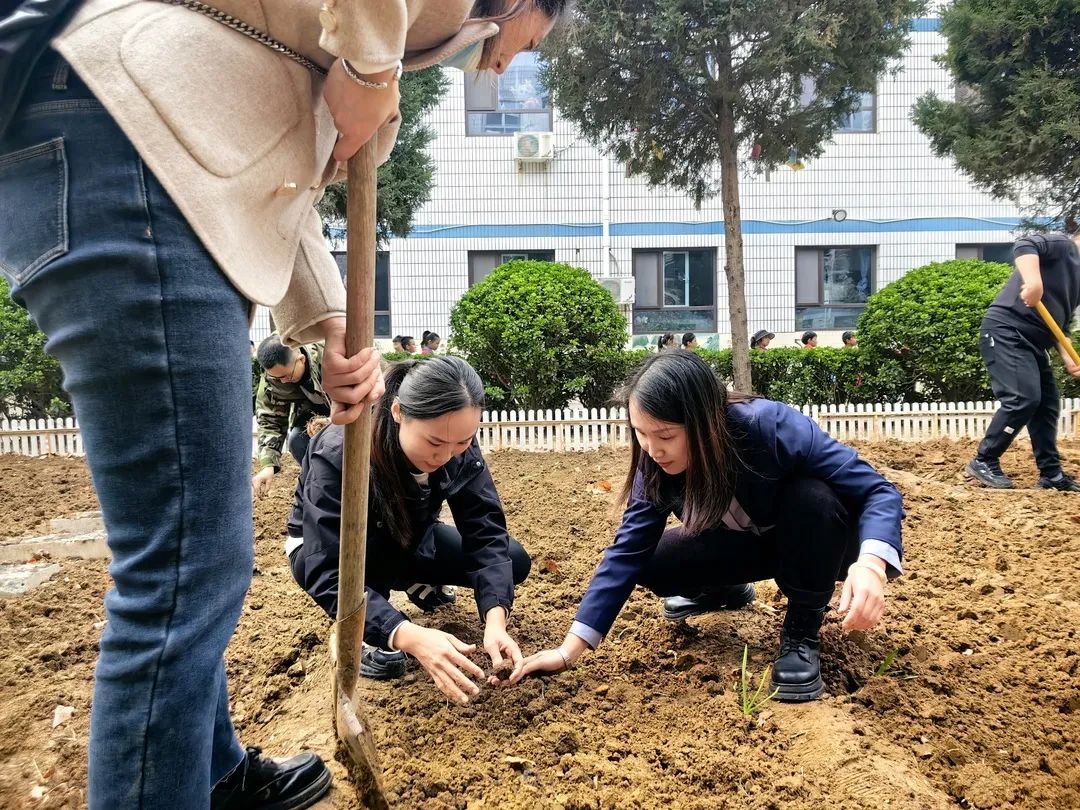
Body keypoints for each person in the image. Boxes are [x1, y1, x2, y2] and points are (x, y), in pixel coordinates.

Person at [0, 0, 565, 806]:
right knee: (183, 570)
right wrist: (374, 69)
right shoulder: (340, 451)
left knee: (203, 558)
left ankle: (215, 770)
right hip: (129, 147)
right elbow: (318, 563)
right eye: (527, 41)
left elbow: (273, 184)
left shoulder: (285, 59)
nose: (508, 64)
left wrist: (328, 324)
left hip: (166, 164)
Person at [511, 351, 903, 702]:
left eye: (665, 435)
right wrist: (567, 652)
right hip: (743, 543)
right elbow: (627, 551)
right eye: (640, 433)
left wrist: (871, 565)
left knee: (813, 496)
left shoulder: (770, 427)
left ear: (705, 422)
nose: (652, 449)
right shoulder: (655, 460)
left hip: (819, 542)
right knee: (652, 561)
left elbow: (878, 491)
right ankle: (724, 589)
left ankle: (802, 631)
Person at [288, 357, 531, 701]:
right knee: (376, 568)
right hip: (333, 551)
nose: (447, 455)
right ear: (399, 413)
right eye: (434, 443)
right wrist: (404, 632)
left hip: (410, 536)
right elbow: (324, 565)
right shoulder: (342, 449)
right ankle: (371, 628)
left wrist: (495, 618)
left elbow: (484, 528)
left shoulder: (454, 437)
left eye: (463, 442)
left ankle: (415, 580)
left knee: (513, 558)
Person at [965, 231, 1080, 491]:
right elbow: (1025, 244)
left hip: (1035, 342)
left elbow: (1061, 324)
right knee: (1022, 398)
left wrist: (1068, 358)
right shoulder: (1065, 246)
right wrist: (1034, 282)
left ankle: (1051, 475)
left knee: (1047, 406)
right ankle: (984, 460)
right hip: (1006, 330)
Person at [252, 336, 332, 497]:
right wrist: (268, 465)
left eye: (286, 376)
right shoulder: (273, 379)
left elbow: (367, 400)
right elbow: (270, 420)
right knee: (297, 440)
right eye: (277, 378)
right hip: (311, 407)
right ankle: (321, 483)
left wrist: (334, 422)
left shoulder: (329, 355)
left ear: (301, 360)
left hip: (348, 406)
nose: (284, 382)